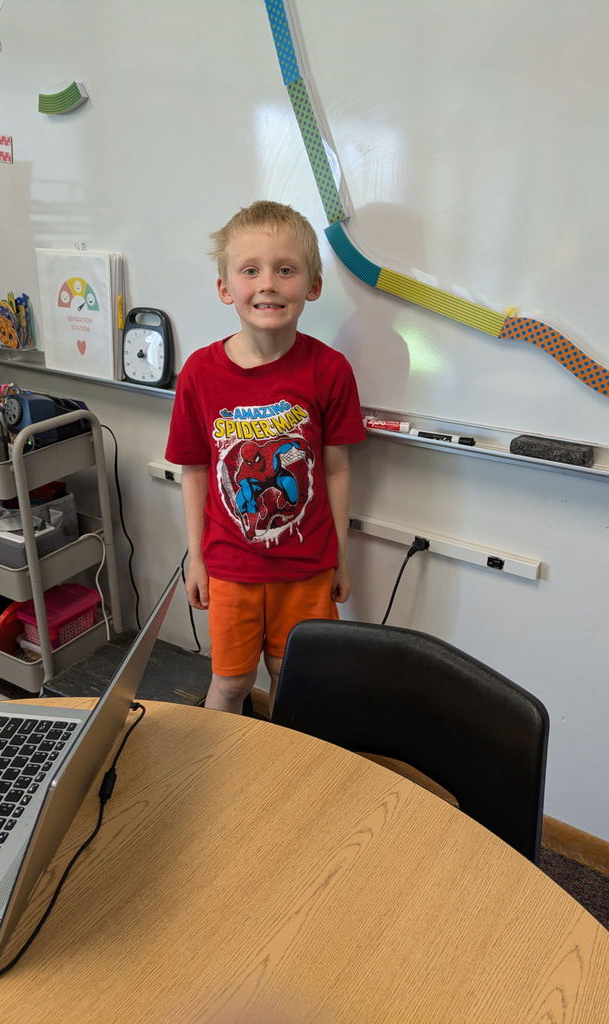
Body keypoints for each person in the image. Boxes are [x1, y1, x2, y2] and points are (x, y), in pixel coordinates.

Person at [165, 200, 365, 713]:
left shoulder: (330, 370)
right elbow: (194, 472)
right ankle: (217, 773)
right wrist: (197, 556)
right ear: (225, 288)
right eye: (250, 270)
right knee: (230, 685)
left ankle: (279, 778)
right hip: (231, 566)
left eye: (285, 269)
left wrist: (341, 555)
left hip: (308, 565)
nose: (268, 284)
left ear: (312, 286)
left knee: (290, 677)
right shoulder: (199, 373)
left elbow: (338, 469)